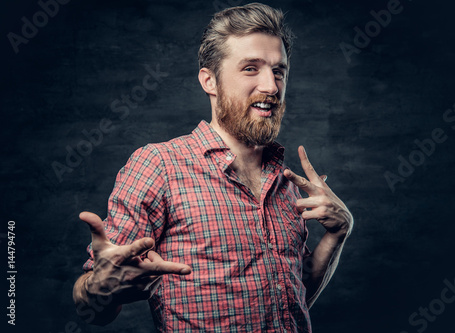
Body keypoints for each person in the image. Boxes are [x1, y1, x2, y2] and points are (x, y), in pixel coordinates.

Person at [73, 3, 353, 332]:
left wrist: (337, 234)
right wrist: (99, 288)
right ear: (210, 81)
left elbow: (293, 298)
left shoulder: (288, 183)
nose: (271, 86)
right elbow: (94, 302)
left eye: (279, 71)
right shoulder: (159, 166)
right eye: (251, 68)